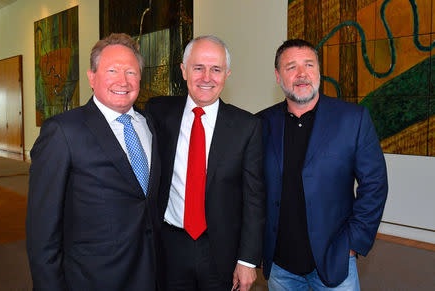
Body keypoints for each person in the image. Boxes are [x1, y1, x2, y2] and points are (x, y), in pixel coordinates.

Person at [26, 33, 161, 290]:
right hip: (91, 279)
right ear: (91, 77)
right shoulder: (63, 132)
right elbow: (41, 231)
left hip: (149, 273)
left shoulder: (149, 124)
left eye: (131, 72)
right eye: (112, 70)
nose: (123, 81)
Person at [257, 39, 388, 290]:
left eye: (309, 65)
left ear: (319, 70)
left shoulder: (353, 119)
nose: (302, 74)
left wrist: (353, 243)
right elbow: (253, 190)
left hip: (335, 260)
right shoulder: (261, 123)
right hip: (280, 267)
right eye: (291, 67)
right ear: (278, 76)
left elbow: (375, 184)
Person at [145, 35, 265, 291]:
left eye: (216, 69)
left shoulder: (247, 127)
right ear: (184, 70)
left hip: (222, 252)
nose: (206, 77)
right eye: (198, 67)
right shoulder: (158, 112)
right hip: (169, 246)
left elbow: (254, 198)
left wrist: (248, 259)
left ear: (227, 74)